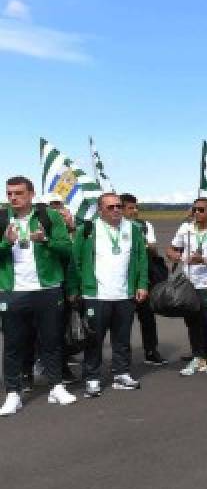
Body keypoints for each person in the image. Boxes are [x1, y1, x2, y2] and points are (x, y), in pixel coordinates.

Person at [0, 177, 76, 415]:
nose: (13, 198)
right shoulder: (2, 219)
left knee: (51, 340)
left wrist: (46, 240)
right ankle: (13, 394)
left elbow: (67, 248)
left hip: (47, 288)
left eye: (19, 193)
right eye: (10, 193)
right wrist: (4, 242)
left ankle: (56, 386)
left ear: (31, 194)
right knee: (13, 344)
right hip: (13, 291)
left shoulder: (49, 216)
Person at [75, 193, 150, 398]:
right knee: (94, 339)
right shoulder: (88, 230)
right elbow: (76, 262)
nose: (116, 210)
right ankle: (91, 378)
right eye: (111, 207)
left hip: (124, 294)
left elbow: (142, 259)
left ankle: (122, 373)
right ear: (101, 210)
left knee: (122, 338)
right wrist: (76, 289)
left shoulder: (133, 229)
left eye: (119, 206)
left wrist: (142, 284)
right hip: (96, 295)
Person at [167, 198, 207, 378]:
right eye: (194, 209)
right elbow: (171, 250)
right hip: (188, 284)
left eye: (201, 210)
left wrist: (204, 260)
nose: (196, 213)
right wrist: (177, 257)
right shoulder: (185, 229)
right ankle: (198, 357)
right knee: (192, 322)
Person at [120, 193, 167, 366]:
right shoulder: (115, 227)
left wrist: (147, 246)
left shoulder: (145, 225)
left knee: (147, 317)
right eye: (130, 208)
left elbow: (153, 249)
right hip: (122, 281)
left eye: (136, 207)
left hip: (143, 277)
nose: (135, 211)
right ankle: (122, 356)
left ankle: (151, 350)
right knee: (123, 321)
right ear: (122, 208)